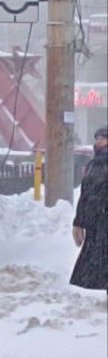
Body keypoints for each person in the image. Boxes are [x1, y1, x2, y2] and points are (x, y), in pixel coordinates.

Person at [71, 124, 108, 292]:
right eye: (98, 138)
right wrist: (78, 222)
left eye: (103, 138)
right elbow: (85, 194)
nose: (99, 142)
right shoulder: (93, 164)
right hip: (96, 223)